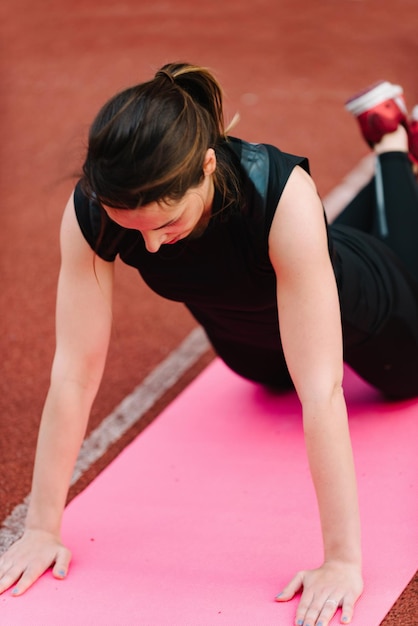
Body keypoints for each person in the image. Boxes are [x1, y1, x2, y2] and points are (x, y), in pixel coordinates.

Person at [0, 63, 417, 626]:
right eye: (134, 229)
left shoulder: (277, 191)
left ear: (206, 167)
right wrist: (43, 529)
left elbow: (320, 392)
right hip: (247, 340)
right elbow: (74, 370)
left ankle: (393, 143)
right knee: (272, 367)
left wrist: (341, 561)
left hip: (366, 311)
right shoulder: (94, 210)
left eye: (165, 224)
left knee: (406, 341)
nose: (149, 249)